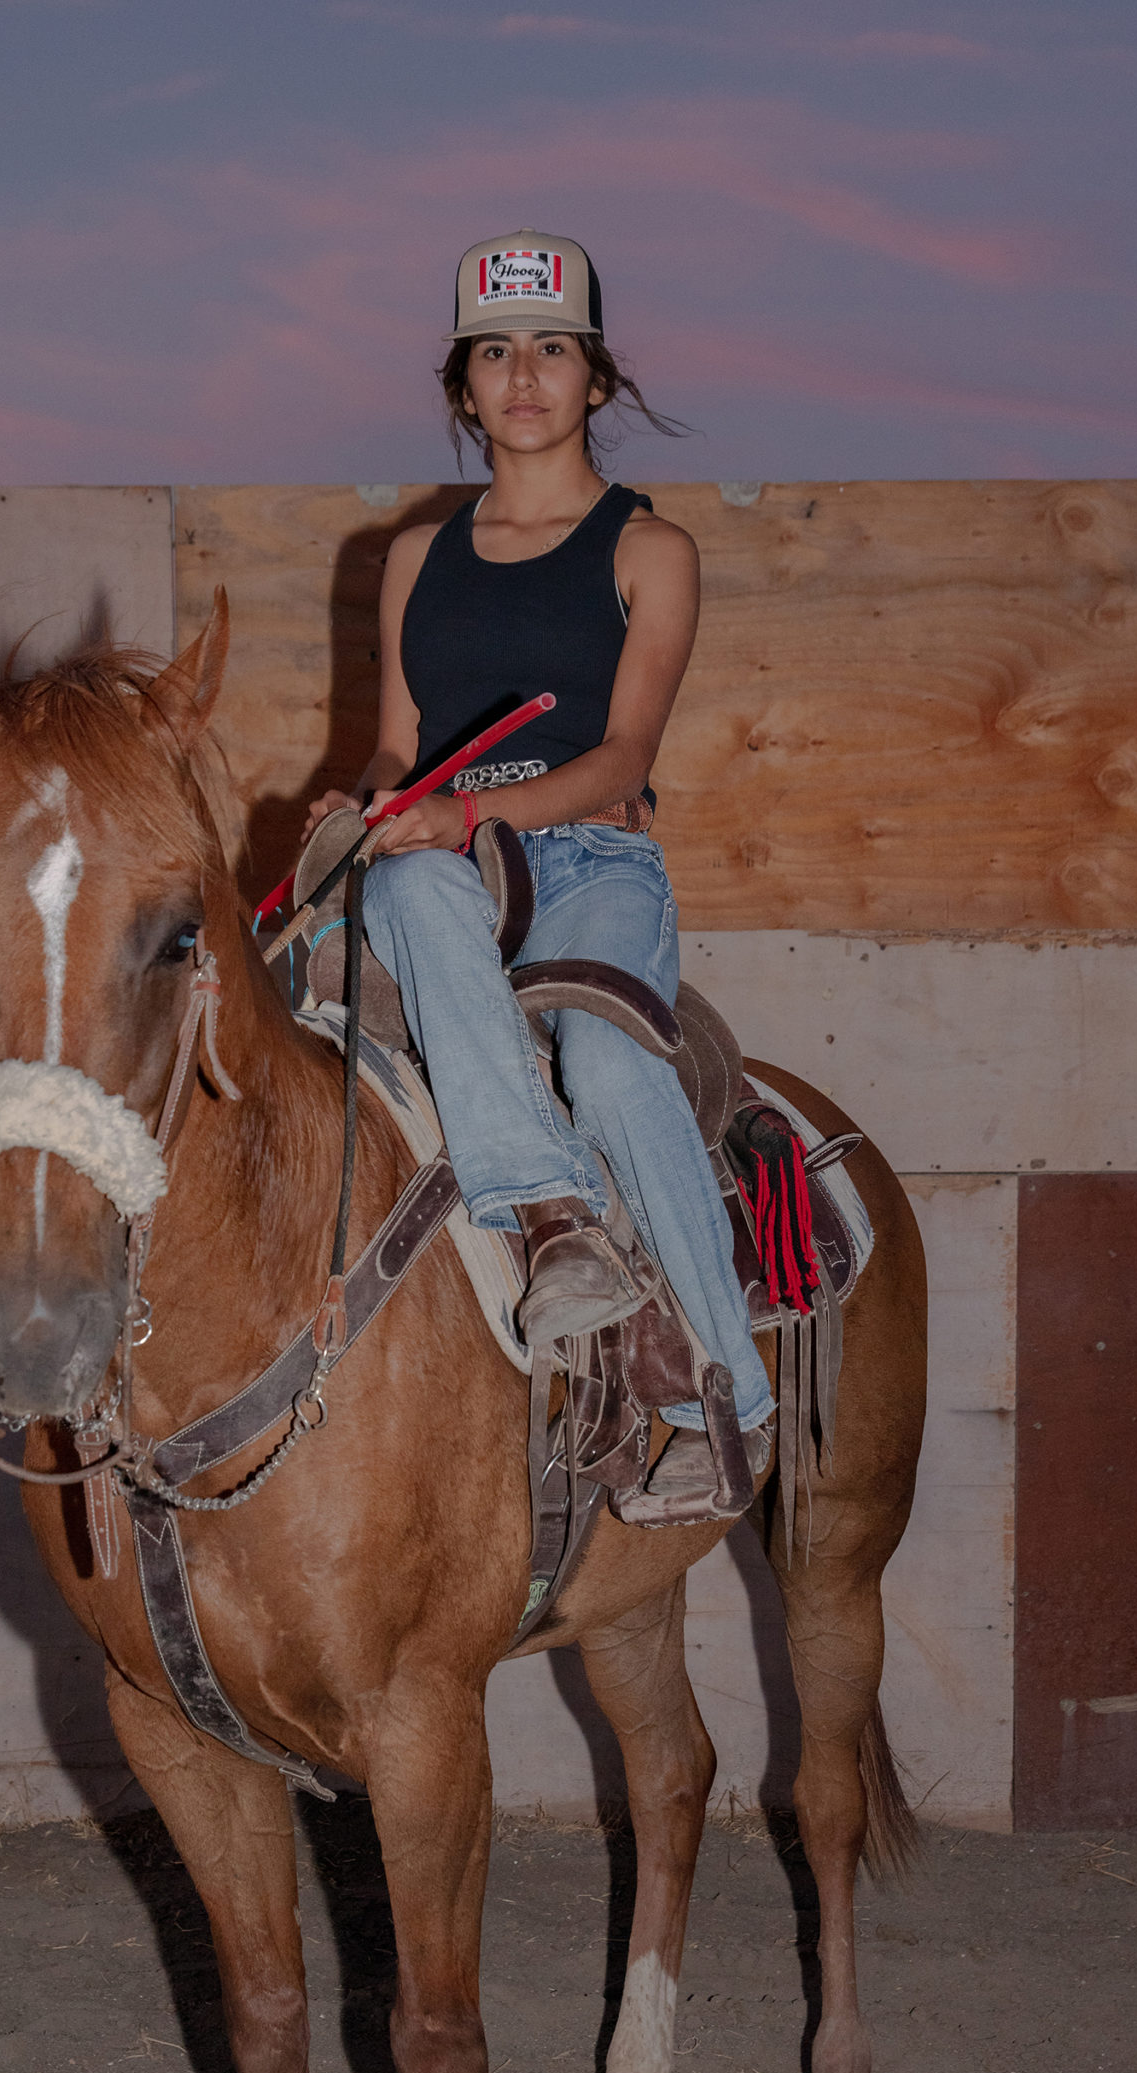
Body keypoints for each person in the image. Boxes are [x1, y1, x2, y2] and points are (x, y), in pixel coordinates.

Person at [302, 229, 774, 1525]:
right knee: (393, 896)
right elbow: (397, 745)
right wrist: (370, 802)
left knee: (614, 1065)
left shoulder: (652, 548)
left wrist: (467, 807)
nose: (525, 375)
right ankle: (554, 1215)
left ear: (597, 382)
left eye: (553, 349)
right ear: (463, 388)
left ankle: (730, 1399)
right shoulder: (412, 559)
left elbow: (625, 750)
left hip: (592, 859)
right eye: (496, 351)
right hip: (446, 862)